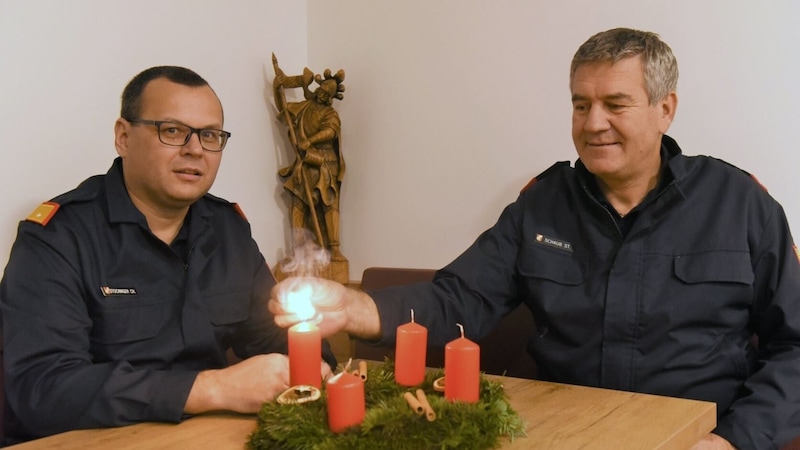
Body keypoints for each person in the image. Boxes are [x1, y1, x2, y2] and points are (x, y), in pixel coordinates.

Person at [269, 28, 800, 450]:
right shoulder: (542, 204)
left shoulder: (741, 204)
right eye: (580, 104)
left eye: (615, 104)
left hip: (696, 439)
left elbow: (795, 346)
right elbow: (460, 298)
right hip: (561, 436)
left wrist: (733, 441)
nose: (594, 124)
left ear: (665, 109)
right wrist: (352, 307)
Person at [0, 66, 335, 444]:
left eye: (209, 135)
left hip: (208, 436)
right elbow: (42, 389)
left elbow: (276, 337)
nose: (195, 149)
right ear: (123, 137)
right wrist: (213, 388)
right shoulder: (57, 238)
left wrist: (317, 364)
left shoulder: (228, 228)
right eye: (172, 131)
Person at [272, 59, 347, 262]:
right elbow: (284, 107)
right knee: (298, 203)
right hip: (304, 162)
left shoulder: (330, 114)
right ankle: (298, 248)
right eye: (322, 89)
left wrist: (309, 141)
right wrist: (285, 82)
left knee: (328, 203)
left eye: (327, 94)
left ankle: (334, 248)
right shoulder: (305, 106)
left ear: (332, 97)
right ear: (318, 87)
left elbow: (330, 131)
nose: (322, 94)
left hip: (324, 162)